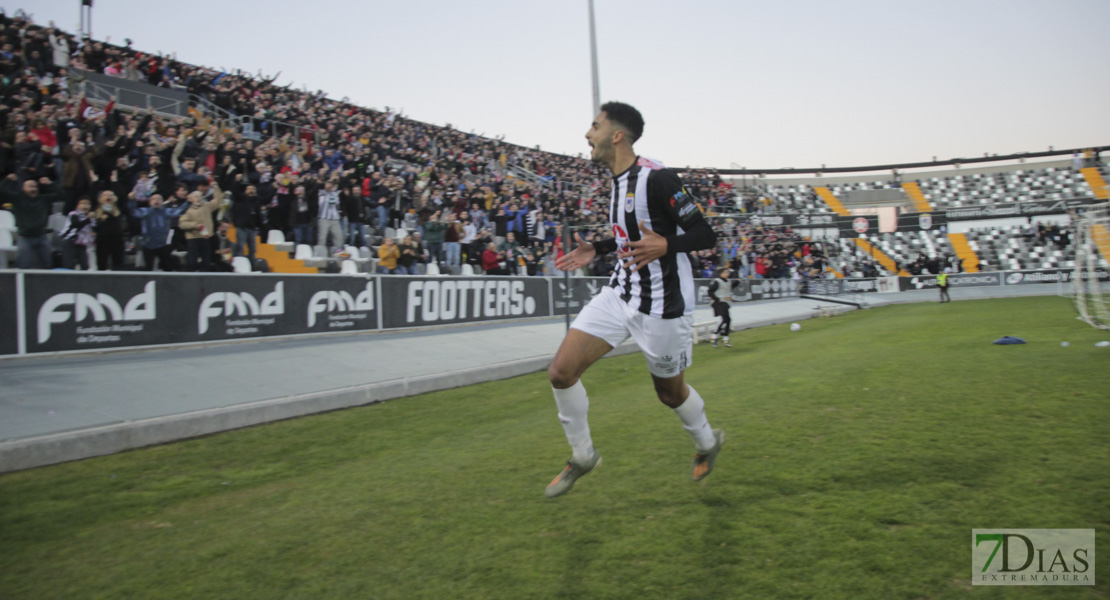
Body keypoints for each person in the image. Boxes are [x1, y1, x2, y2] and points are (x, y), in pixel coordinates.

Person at [545, 102, 723, 498]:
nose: (587, 134)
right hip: (619, 292)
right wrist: (601, 247)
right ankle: (583, 455)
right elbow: (634, 235)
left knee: (669, 393)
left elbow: (706, 235)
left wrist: (669, 245)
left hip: (662, 306)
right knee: (560, 372)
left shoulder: (657, 178)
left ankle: (708, 442)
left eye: (594, 126)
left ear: (616, 135)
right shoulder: (616, 180)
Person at [1, 175, 59, 269]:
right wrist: (7, 180)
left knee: (48, 264)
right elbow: (1, 192)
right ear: (23, 188)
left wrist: (50, 184)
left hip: (41, 236)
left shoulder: (43, 199)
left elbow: (61, 196)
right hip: (25, 237)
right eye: (30, 186)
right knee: (23, 265)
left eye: (35, 186)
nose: (33, 189)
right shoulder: (17, 199)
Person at [707, 267, 733, 347]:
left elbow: (729, 288)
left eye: (728, 272)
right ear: (721, 274)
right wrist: (716, 299)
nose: (727, 274)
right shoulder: (717, 281)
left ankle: (725, 338)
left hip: (725, 302)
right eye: (725, 272)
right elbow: (710, 291)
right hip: (719, 302)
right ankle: (714, 335)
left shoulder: (728, 281)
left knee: (727, 319)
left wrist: (738, 282)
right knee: (726, 319)